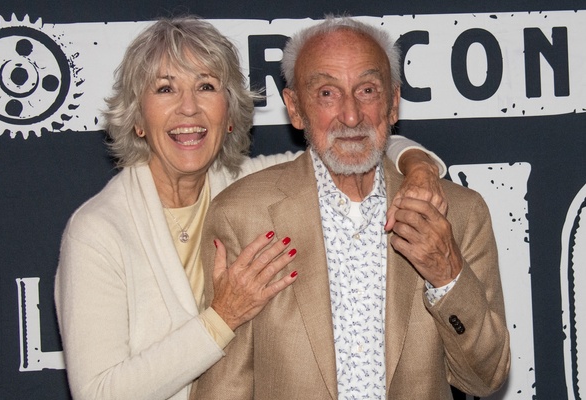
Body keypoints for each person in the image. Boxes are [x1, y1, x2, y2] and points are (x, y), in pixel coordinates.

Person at [54, 16, 448, 400]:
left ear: (229, 112)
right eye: (165, 89)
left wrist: (419, 166)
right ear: (138, 118)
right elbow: (97, 392)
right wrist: (222, 317)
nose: (189, 108)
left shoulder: (256, 187)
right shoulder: (97, 231)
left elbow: (352, 140)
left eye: (206, 86)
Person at [193, 16, 510, 400]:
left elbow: (486, 377)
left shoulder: (458, 214)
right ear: (294, 107)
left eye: (367, 90)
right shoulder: (242, 216)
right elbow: (224, 388)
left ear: (393, 103)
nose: (351, 115)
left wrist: (447, 277)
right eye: (327, 93)